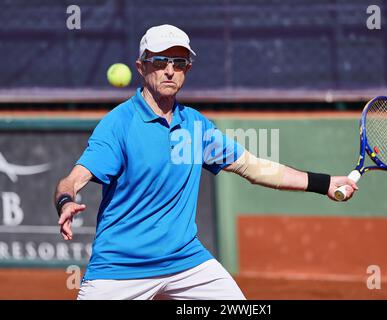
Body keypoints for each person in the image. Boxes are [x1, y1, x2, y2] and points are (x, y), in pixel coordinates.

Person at [54, 24, 358, 300]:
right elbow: (74, 178)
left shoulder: (195, 128)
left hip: (185, 262)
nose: (170, 71)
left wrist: (325, 183)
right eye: (160, 62)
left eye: (179, 62)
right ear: (141, 67)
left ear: (188, 68)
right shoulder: (118, 125)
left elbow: (254, 168)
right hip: (120, 267)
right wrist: (66, 201)